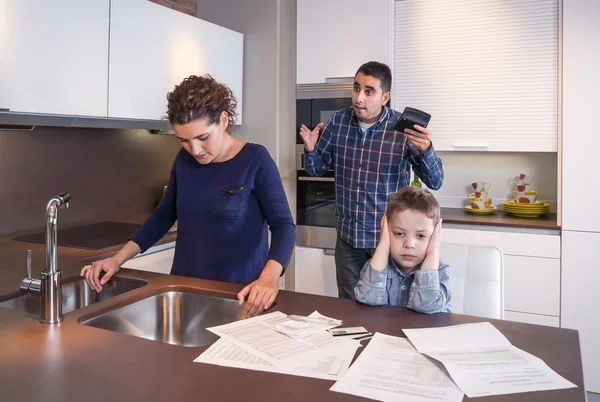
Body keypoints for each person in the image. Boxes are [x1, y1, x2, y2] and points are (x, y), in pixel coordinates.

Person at [81, 75, 295, 317]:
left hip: (241, 296)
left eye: (203, 138)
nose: (195, 150)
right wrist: (117, 260)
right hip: (185, 293)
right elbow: (163, 216)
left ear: (223, 120)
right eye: (183, 140)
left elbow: (283, 226)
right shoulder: (184, 161)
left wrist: (268, 279)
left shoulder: (255, 160)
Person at [299, 61, 444, 300]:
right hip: (348, 240)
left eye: (369, 91)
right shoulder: (338, 122)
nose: (359, 98)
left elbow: (435, 180)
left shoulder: (402, 130)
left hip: (388, 241)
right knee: (348, 307)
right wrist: (311, 149)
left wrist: (427, 149)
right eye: (356, 88)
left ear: (385, 97)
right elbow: (315, 170)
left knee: (388, 306)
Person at [354, 186, 451, 313]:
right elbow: (368, 298)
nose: (409, 244)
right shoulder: (377, 265)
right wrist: (383, 245)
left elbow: (427, 306)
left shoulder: (441, 271)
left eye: (421, 236)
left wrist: (433, 252)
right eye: (399, 233)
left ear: (434, 236)